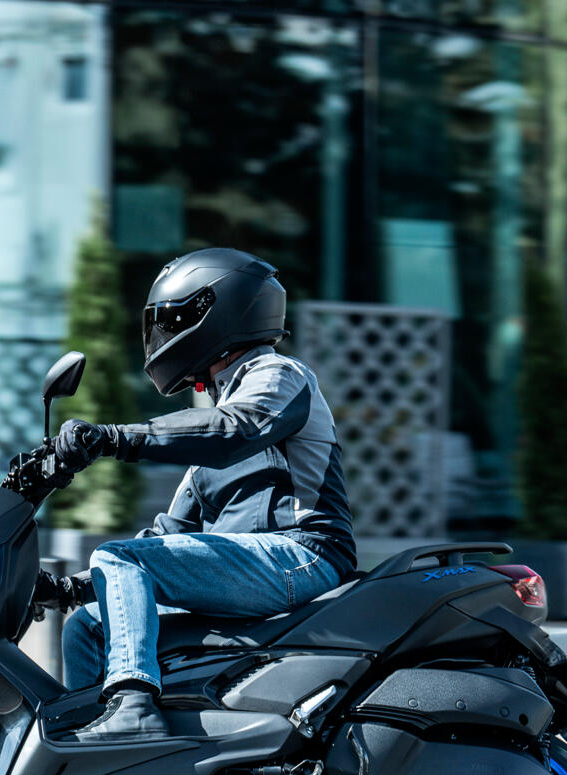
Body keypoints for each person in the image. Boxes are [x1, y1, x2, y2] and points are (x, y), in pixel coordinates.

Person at [38, 248, 354, 743]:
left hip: (303, 554)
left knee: (117, 556)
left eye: (172, 320)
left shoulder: (278, 376)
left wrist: (113, 437)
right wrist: (70, 589)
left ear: (219, 312)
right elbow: (168, 537)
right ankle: (94, 747)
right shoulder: (211, 425)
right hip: (253, 564)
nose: (162, 333)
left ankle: (132, 706)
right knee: (87, 625)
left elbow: (235, 430)